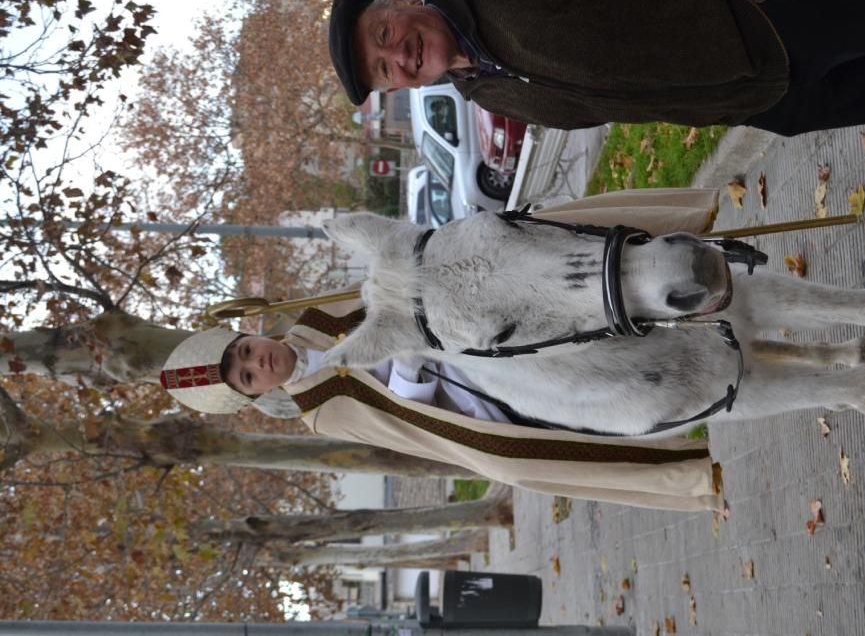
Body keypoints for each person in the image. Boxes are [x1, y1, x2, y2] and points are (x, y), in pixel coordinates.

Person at [158, 189, 725, 511]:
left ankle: (666, 235)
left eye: (246, 352)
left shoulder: (316, 314)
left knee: (528, 236)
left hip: (471, 299)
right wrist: (411, 357)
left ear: (250, 335)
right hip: (465, 387)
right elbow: (407, 416)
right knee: (517, 461)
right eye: (249, 376)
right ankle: (679, 459)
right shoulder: (322, 412)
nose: (258, 362)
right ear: (258, 393)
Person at [328, 0, 865, 136]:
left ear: (397, 1)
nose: (401, 59)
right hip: (768, 100)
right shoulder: (489, 93)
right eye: (387, 72)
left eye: (385, 37)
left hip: (772, 8)